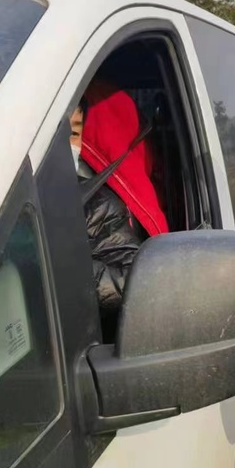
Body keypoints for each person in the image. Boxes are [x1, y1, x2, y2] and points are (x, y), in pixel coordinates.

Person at [71, 77, 169, 337]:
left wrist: (50, 266)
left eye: (73, 133)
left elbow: (133, 277)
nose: (66, 144)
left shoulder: (97, 203)